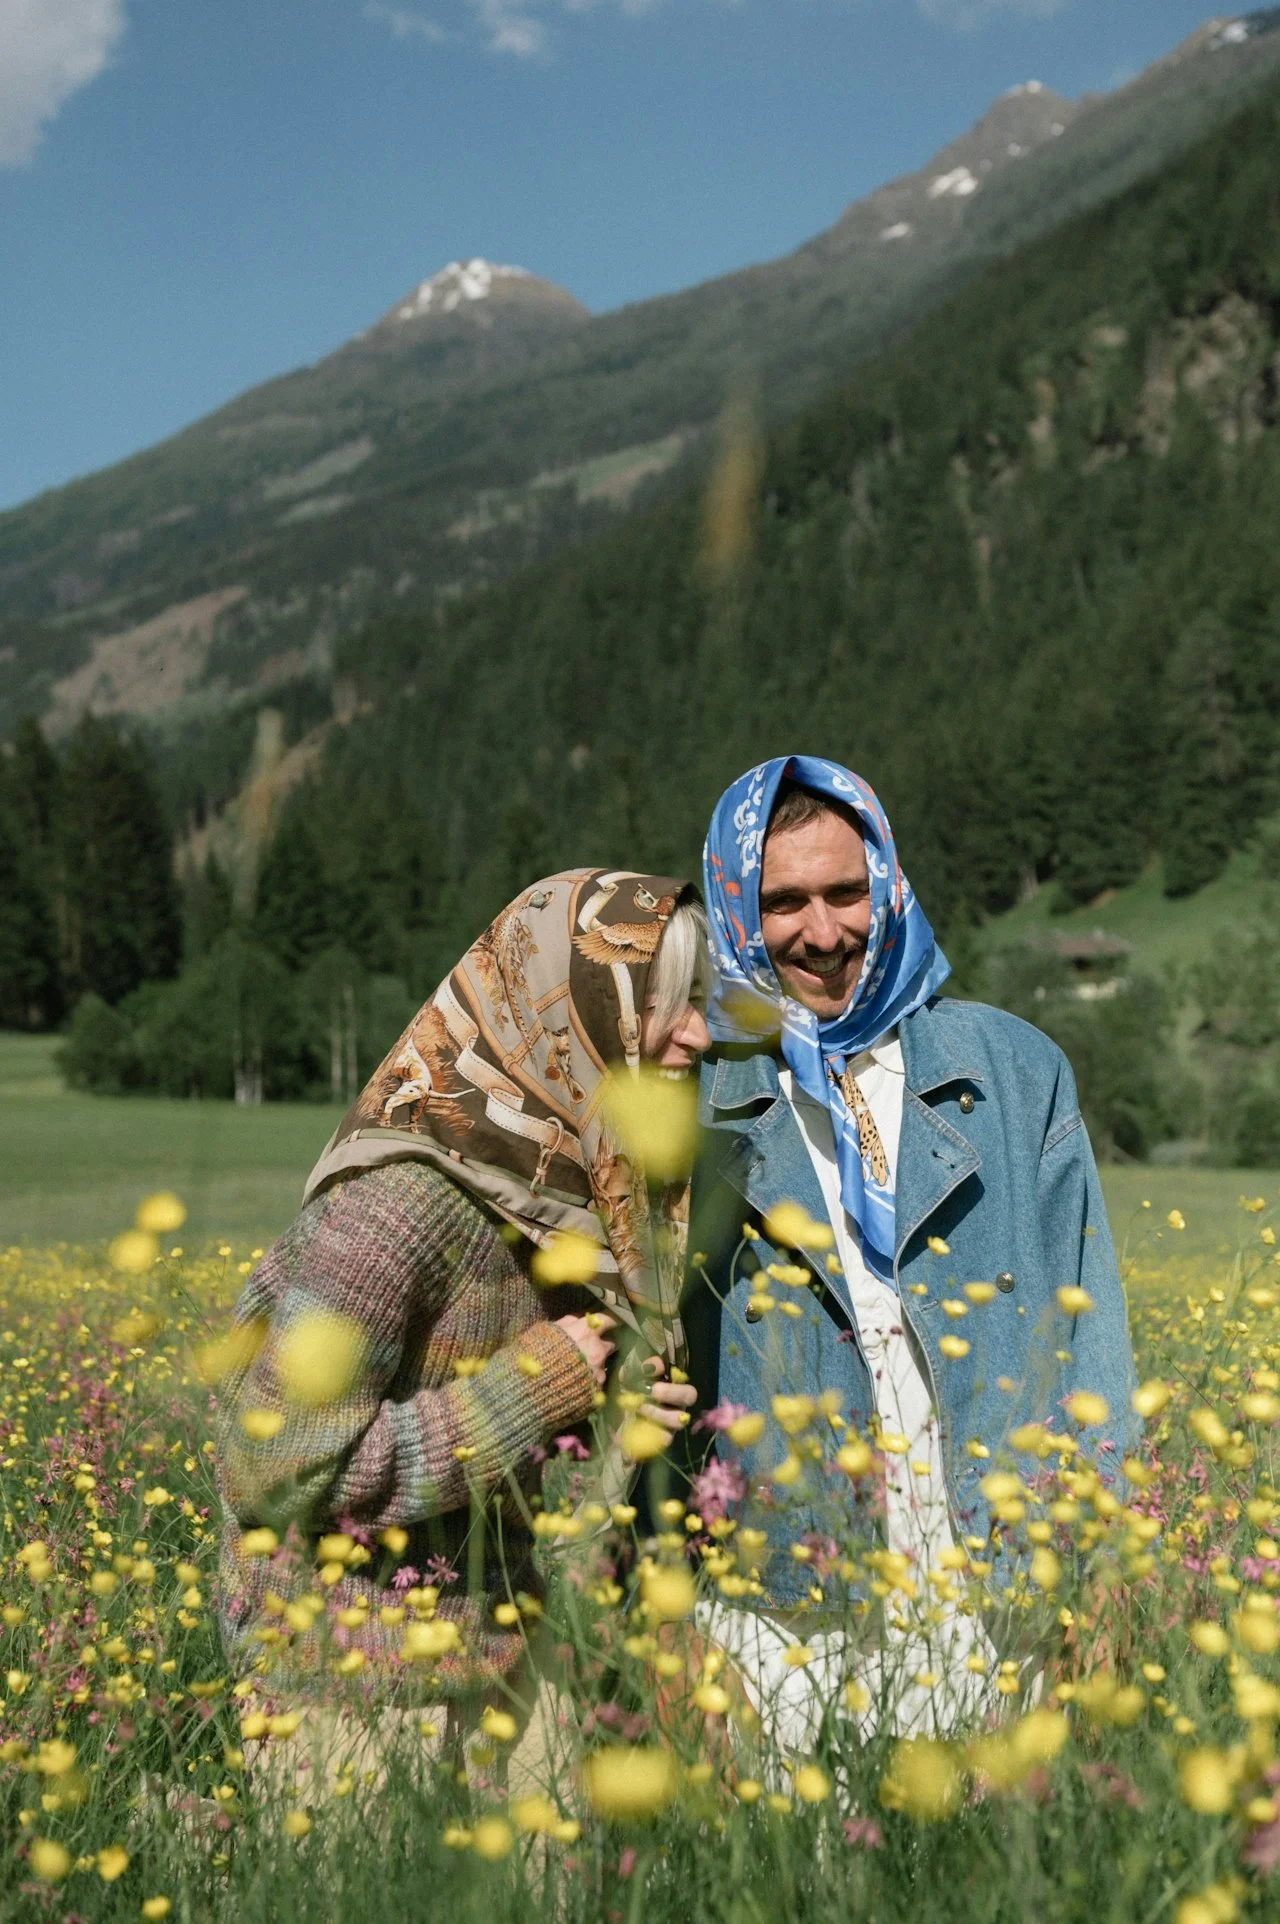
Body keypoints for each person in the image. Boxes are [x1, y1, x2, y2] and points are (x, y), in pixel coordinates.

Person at [683, 756, 1138, 1747]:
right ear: (731, 907)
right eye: (782, 901)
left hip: (993, 1586)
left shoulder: (1013, 1071)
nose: (822, 930)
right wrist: (665, 1617)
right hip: (781, 1611)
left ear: (885, 884)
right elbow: (653, 1379)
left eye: (846, 891)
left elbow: (1088, 1319)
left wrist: (1099, 1561)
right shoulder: (694, 1100)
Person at [215, 868, 710, 1734]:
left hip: (507, 1651)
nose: (700, 1037)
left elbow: (517, 1449)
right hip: (341, 1689)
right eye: (663, 1007)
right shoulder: (395, 1206)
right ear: (573, 1016)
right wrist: (529, 1395)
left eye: (701, 1001)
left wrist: (605, 1410)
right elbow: (271, 1471)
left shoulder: (563, 1191)